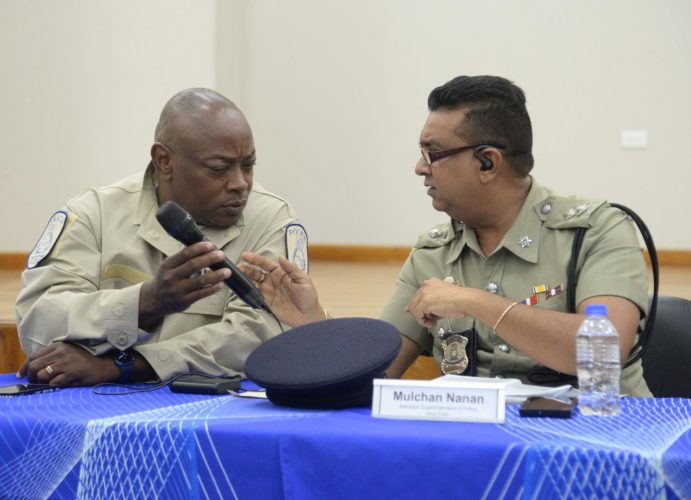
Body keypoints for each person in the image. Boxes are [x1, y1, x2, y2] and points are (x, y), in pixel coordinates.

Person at [240, 75, 652, 397]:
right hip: (475, 451)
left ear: (487, 163)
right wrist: (312, 324)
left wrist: (476, 302)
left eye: (432, 154)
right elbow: (375, 375)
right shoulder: (432, 254)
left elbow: (604, 350)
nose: (420, 169)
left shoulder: (597, 230)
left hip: (600, 441)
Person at [16, 88, 307, 386]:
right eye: (219, 169)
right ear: (164, 161)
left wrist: (122, 366)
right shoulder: (94, 213)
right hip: (91, 406)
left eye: (248, 165)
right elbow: (37, 321)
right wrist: (145, 301)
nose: (240, 183)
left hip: (211, 414)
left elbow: (265, 332)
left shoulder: (270, 218)